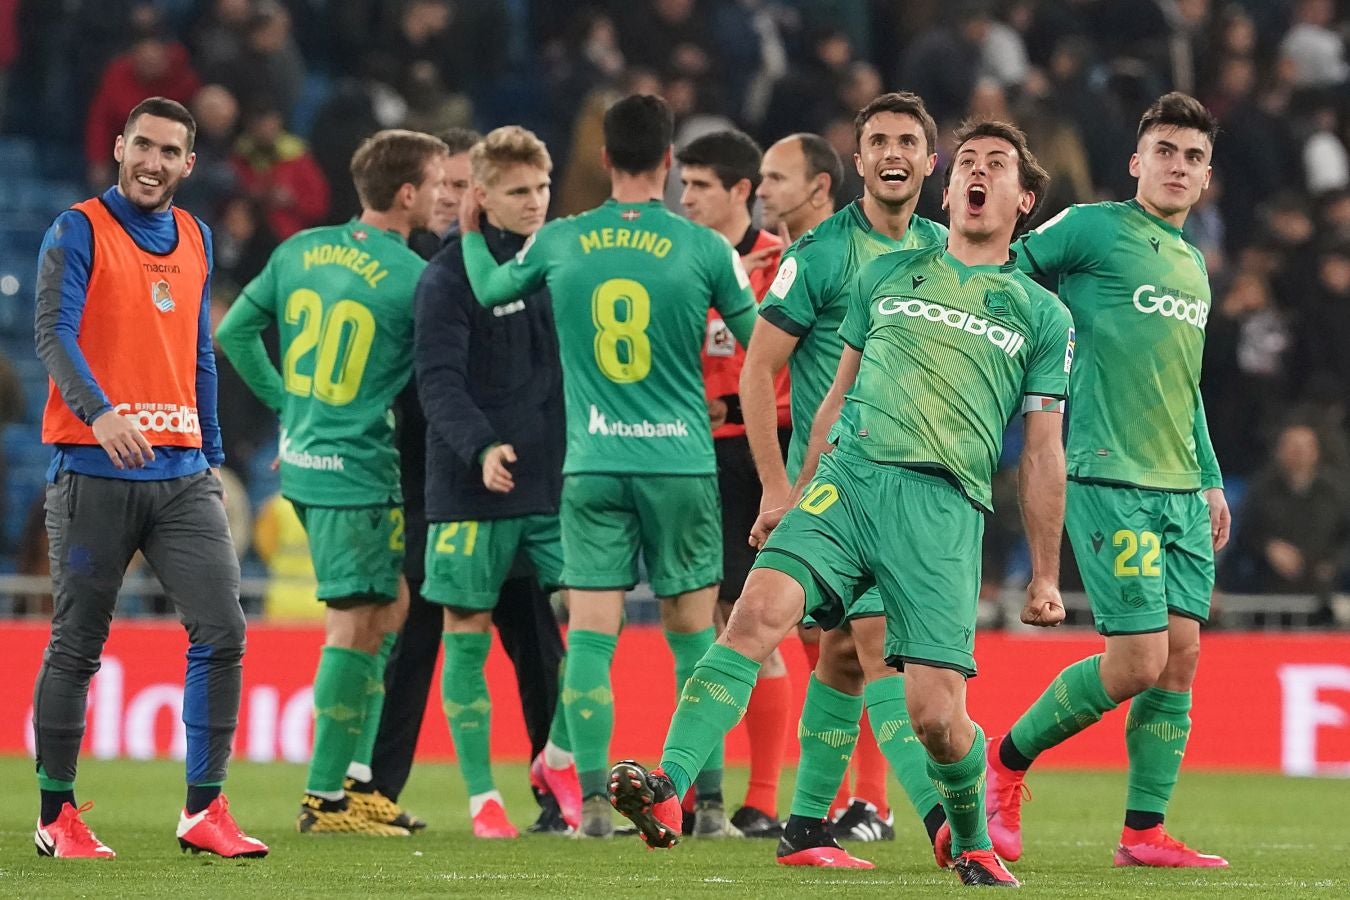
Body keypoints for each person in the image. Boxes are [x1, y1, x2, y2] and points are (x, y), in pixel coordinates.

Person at [609, 118, 1070, 889]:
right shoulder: (885, 277)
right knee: (755, 615)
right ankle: (669, 789)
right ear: (949, 186)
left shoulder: (1041, 314)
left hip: (940, 506)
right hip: (847, 481)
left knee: (934, 716)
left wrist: (1046, 574)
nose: (978, 174)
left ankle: (969, 836)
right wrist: (792, 492)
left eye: (999, 166)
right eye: (969, 164)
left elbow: (1045, 450)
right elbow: (832, 399)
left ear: (1022, 200)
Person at [459, 93, 758, 838]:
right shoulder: (706, 248)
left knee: (591, 637)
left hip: (592, 464)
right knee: (697, 639)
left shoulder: (561, 241)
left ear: (603, 160)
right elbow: (762, 342)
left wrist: (471, 233)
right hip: (682, 465)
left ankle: (590, 805)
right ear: (667, 162)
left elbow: (492, 289)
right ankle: (709, 807)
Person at [984, 91, 1232, 869]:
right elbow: (1008, 272)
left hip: (1180, 484)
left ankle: (1143, 832)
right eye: (1165, 150)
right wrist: (1037, 363)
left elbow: (1183, 386)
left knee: (1182, 653)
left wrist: (1213, 480)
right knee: (1137, 660)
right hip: (1104, 469)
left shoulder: (1193, 264)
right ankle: (1005, 760)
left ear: (1206, 176)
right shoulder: (1093, 226)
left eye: (1192, 156)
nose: (1178, 166)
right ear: (1137, 162)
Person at [32, 96, 265, 859]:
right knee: (77, 645)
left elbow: (200, 351)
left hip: (182, 472)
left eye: (170, 151)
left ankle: (203, 811)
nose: (153, 161)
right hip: (94, 470)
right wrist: (99, 413)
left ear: (188, 164)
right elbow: (52, 333)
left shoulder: (196, 235)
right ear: (121, 147)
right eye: (143, 145)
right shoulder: (77, 228)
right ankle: (55, 817)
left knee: (223, 628)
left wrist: (213, 449)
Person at [740, 93, 951, 866]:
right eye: (878, 141)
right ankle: (944, 821)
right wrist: (774, 483)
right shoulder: (823, 252)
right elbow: (760, 371)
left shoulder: (946, 248)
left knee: (838, 656)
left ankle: (804, 828)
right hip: (839, 492)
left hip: (916, 489)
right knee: (880, 647)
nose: (893, 153)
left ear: (931, 162)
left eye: (908, 141)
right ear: (857, 162)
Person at [216, 128, 447, 836]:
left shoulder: (298, 250)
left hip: (312, 461)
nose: (444, 196)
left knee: (391, 607)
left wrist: (292, 405)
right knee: (354, 625)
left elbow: (233, 335)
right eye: (439, 184)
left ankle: (355, 782)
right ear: (407, 194)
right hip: (358, 470)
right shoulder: (414, 279)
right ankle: (325, 797)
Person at [413, 124, 576, 838]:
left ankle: (560, 762)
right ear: (481, 196)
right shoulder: (446, 278)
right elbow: (438, 381)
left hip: (551, 481)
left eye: (542, 187)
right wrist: (479, 446)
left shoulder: (554, 261)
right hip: (471, 484)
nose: (535, 202)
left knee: (587, 620)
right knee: (466, 629)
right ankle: (482, 797)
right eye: (518, 191)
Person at [676, 128, 789, 838]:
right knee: (715, 619)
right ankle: (707, 791)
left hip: (760, 452)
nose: (685, 198)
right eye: (682, 185)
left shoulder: (778, 265)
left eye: (699, 187)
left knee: (758, 623)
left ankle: (766, 798)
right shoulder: (681, 259)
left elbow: (786, 364)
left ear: (740, 192)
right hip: (694, 454)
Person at [756, 133, 843, 243]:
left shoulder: (858, 256)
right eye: (762, 178)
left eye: (776, 178)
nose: (760, 192)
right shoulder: (751, 257)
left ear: (820, 188)